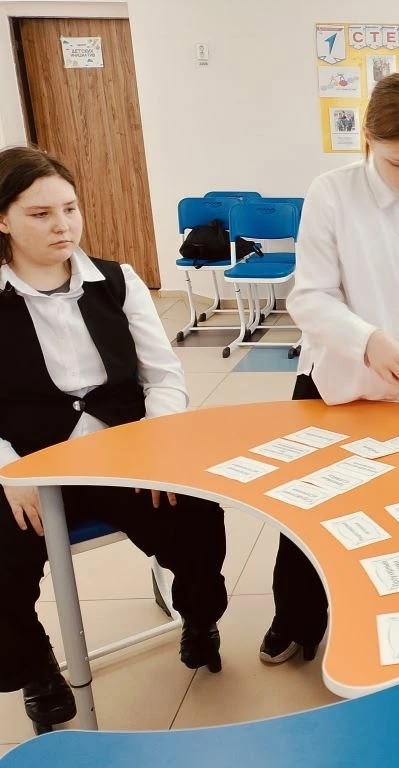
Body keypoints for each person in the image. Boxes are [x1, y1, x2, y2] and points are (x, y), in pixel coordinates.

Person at [261, 71, 399, 665]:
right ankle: (296, 618)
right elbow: (310, 297)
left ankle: (388, 624)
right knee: (309, 510)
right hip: (336, 387)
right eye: (398, 164)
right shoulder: (332, 194)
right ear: (368, 140)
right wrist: (366, 341)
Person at [0, 146, 228, 733]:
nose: (63, 225)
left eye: (70, 209)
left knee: (199, 514)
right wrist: (8, 471)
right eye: (40, 214)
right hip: (30, 466)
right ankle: (36, 668)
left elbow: (163, 377)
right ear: (3, 220)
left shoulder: (118, 281)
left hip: (125, 456)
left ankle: (199, 618)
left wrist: (156, 450)